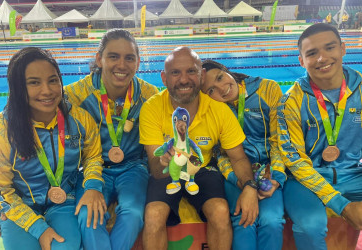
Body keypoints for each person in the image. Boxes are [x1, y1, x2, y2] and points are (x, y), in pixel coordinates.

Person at [139, 46, 259, 250]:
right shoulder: (152, 108)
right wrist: (163, 161)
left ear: (202, 75)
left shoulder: (218, 110)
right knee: (153, 215)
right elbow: (155, 168)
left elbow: (238, 158)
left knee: (221, 211)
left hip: (201, 169)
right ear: (164, 78)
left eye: (191, 71)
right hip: (169, 172)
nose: (184, 79)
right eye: (175, 72)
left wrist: (249, 186)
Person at [0, 47, 105, 250]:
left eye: (53, 80)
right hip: (20, 205)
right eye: (34, 82)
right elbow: (0, 189)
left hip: (64, 200)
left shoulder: (79, 119)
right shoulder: (0, 132)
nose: (47, 90)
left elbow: (93, 156)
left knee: (66, 247)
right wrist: (38, 228)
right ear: (18, 88)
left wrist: (93, 185)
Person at [64, 29, 159, 250]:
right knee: (88, 214)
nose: (122, 65)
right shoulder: (77, 94)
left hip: (134, 168)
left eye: (129, 58)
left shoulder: (150, 96)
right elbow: (35, 107)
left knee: (134, 213)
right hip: (93, 169)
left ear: (138, 63)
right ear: (100, 59)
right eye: (113, 56)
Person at [277, 23, 362, 250]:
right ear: (302, 61)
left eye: (329, 48)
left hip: (354, 173)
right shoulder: (291, 101)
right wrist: (342, 205)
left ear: (343, 49)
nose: (322, 58)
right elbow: (294, 160)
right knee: (310, 225)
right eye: (312, 53)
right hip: (306, 179)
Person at [201, 59, 285, 250]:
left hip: (269, 171)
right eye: (211, 90)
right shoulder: (212, 108)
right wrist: (242, 182)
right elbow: (220, 154)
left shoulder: (267, 89)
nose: (222, 89)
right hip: (236, 173)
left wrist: (276, 178)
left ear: (226, 70)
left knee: (272, 221)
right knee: (243, 220)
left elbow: (280, 142)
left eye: (220, 78)